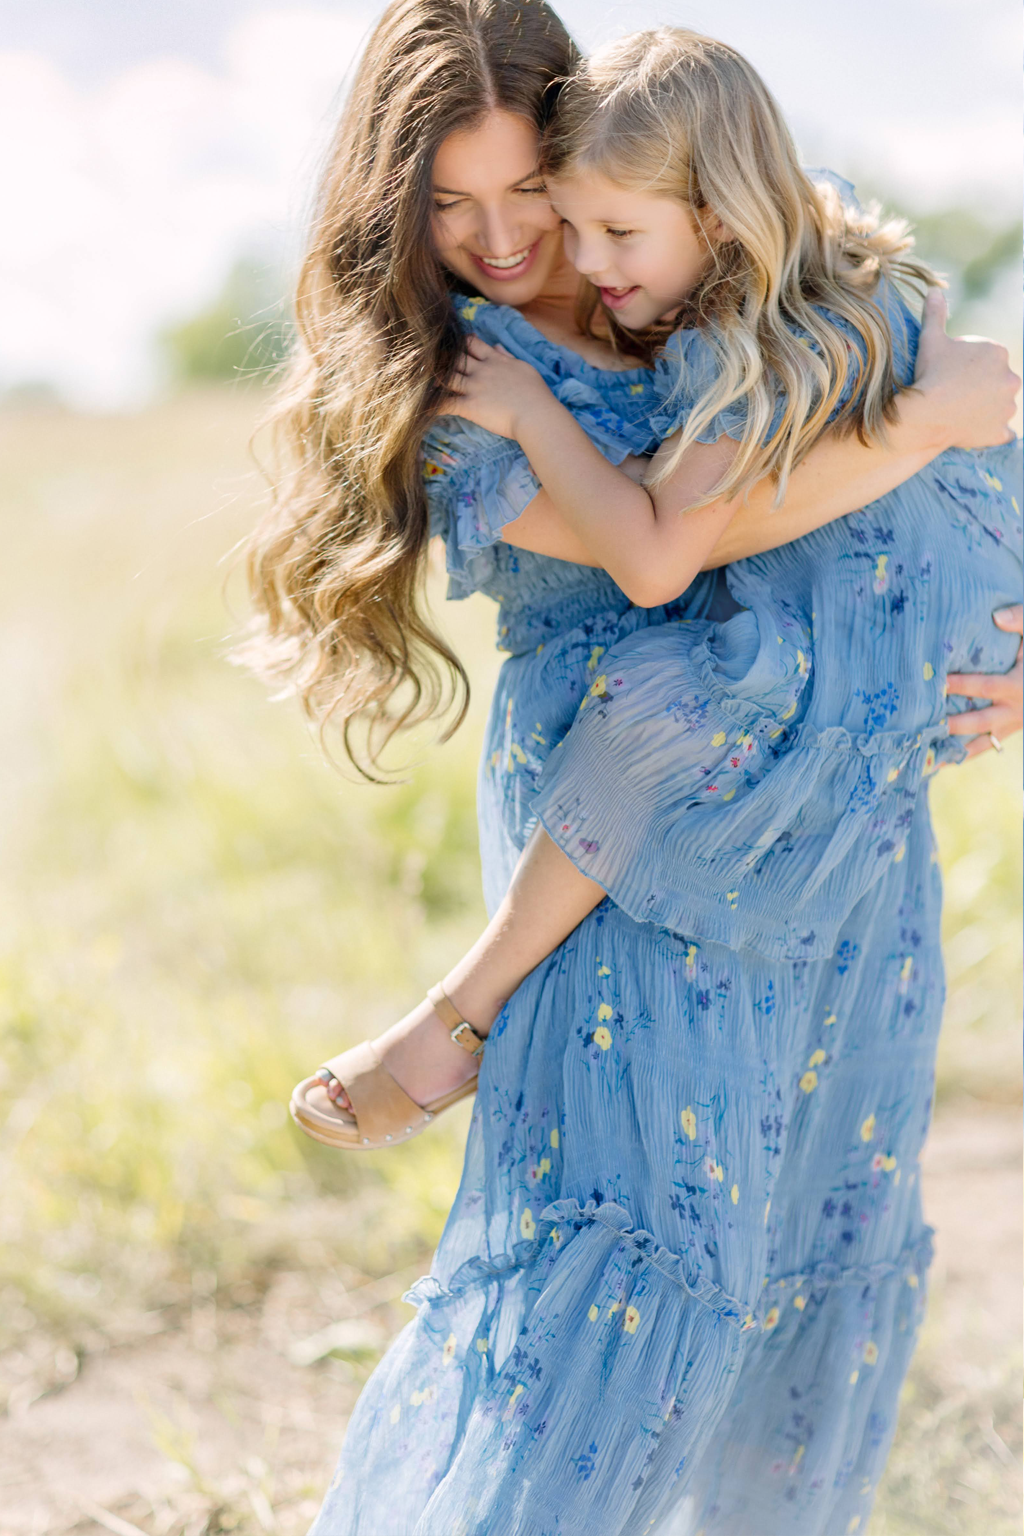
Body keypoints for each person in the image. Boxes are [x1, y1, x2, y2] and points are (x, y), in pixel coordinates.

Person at [239, 4, 1021, 1530]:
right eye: (443, 207)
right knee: (626, 1255)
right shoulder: (453, 387)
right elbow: (682, 543)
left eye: (527, 191)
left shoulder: (725, 271)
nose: (502, 241)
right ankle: (456, 1019)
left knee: (809, 1222)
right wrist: (921, 420)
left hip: (842, 825)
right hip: (622, 858)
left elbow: (882, 492)